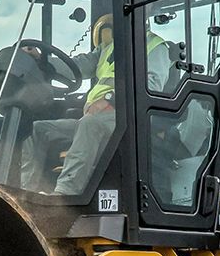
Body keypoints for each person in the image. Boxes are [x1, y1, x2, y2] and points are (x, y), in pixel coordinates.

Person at [22, 14, 169, 194]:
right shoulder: (108, 48)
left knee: (88, 125)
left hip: (129, 120)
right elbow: (76, 66)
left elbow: (153, 86)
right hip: (96, 118)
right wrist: (40, 60)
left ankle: (65, 194)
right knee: (36, 129)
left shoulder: (155, 46)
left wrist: (109, 99)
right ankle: (27, 191)